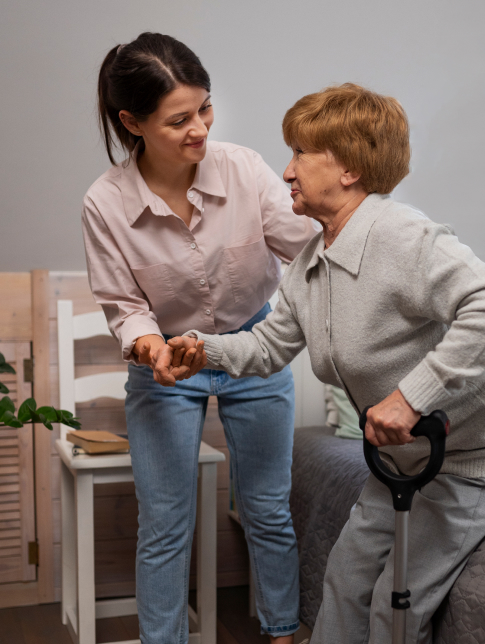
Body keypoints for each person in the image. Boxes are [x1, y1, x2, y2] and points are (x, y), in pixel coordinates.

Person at [173, 83, 485, 644]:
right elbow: (270, 347)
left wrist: (411, 396)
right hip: (401, 459)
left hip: (472, 457)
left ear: (348, 170)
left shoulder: (404, 236)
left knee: (397, 603)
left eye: (299, 153)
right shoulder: (311, 261)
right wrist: (204, 348)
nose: (286, 170)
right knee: (344, 583)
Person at [82, 32, 316, 644]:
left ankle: (282, 631)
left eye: (205, 108)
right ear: (132, 122)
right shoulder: (104, 203)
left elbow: (308, 246)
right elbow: (125, 306)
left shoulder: (243, 168)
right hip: (166, 363)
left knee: (267, 508)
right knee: (164, 521)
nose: (200, 129)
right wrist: (149, 348)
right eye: (179, 119)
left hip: (254, 349)